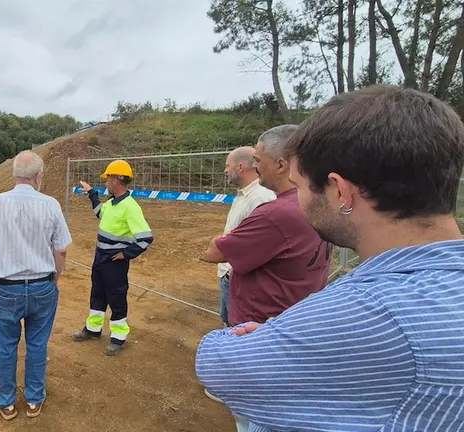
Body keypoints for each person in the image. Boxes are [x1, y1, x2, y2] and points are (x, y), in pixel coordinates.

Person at [196, 85, 464, 431]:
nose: (300, 201)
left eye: (302, 186)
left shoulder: (366, 311)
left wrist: (269, 336)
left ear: (340, 191)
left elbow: (217, 365)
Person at [199, 125, 331, 431]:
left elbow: (217, 251)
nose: (255, 165)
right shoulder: (315, 204)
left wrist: (225, 241)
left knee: (253, 417)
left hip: (258, 331)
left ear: (282, 164)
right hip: (291, 320)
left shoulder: (275, 212)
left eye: (259, 158)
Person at [0, 150, 72, 421]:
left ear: (14, 174)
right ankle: (33, 400)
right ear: (38, 176)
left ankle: (6, 402)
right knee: (37, 345)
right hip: (42, 286)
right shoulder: (50, 204)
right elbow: (61, 250)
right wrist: (54, 279)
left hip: (5, 287)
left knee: (5, 347)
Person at [72, 159, 154, 356]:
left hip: (115, 262)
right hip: (100, 257)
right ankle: (93, 329)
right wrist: (92, 194)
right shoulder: (111, 203)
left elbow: (145, 238)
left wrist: (126, 254)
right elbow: (100, 213)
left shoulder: (130, 207)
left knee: (116, 297)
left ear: (116, 180)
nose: (106, 182)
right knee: (97, 293)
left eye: (108, 178)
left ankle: (118, 337)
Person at [214, 146, 276, 327]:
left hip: (239, 278)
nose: (226, 170)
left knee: (237, 327)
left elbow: (262, 245)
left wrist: (234, 273)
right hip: (231, 274)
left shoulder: (260, 198)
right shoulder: (245, 195)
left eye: (228, 165)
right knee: (228, 322)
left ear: (240, 167)